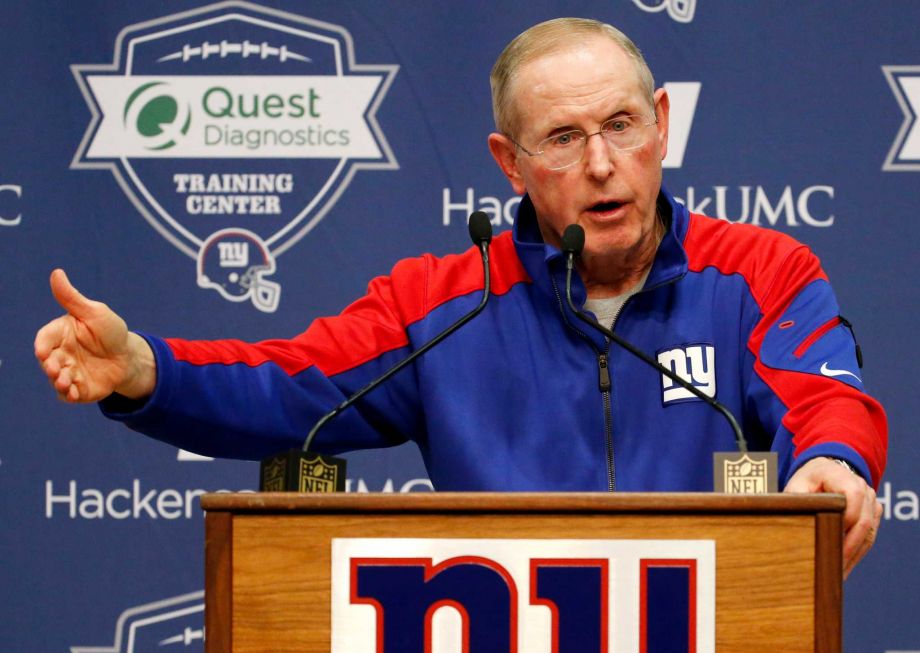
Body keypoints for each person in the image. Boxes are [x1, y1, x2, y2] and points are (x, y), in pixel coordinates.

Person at [35, 17, 885, 578]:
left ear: (661, 122)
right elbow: (287, 386)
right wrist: (144, 368)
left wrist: (834, 466)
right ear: (508, 164)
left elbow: (827, 399)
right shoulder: (446, 305)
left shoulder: (760, 273)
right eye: (562, 138)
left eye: (621, 125)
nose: (600, 163)